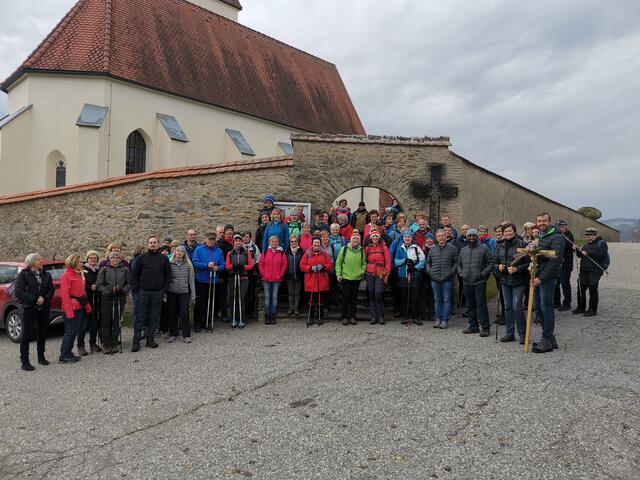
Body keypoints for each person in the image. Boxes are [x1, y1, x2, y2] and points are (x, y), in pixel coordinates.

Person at [130, 236, 172, 352]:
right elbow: (134, 274)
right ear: (148, 244)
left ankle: (150, 340)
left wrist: (164, 290)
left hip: (158, 292)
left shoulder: (164, 259)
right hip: (143, 292)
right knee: (140, 317)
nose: (153, 244)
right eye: (151, 242)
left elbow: (168, 275)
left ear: (158, 244)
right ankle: (136, 342)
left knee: (153, 317)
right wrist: (137, 289)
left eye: (155, 242)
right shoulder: (142, 258)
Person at [530, 213, 564, 354]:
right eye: (539, 221)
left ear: (549, 221)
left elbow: (555, 260)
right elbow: (537, 256)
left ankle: (546, 340)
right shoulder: (540, 236)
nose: (541, 223)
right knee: (538, 308)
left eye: (544, 220)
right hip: (537, 276)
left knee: (546, 308)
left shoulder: (557, 237)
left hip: (547, 278)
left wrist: (542, 278)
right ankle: (550, 338)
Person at [15, 253, 55, 371]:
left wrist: (44, 298)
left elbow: (51, 289)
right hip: (29, 308)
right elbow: (19, 291)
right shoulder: (24, 274)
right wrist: (34, 299)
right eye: (38, 259)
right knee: (27, 333)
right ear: (32, 262)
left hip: (44, 307)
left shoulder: (46, 274)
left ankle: (41, 356)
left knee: (42, 332)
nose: (41, 261)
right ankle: (25, 361)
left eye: (41, 259)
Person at [493, 224, 530, 344]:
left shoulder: (521, 244)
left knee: (517, 306)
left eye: (510, 231)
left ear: (514, 231)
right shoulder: (500, 245)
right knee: (508, 307)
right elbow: (494, 261)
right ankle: (510, 333)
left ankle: (523, 334)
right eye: (506, 231)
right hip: (505, 280)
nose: (507, 233)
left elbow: (529, 262)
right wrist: (498, 266)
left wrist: (517, 269)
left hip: (519, 280)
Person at [459, 229, 493, 337]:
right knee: (470, 305)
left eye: (474, 236)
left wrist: (482, 274)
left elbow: (491, 263)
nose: (471, 238)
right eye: (469, 236)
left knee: (481, 305)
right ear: (467, 237)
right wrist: (461, 273)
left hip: (479, 281)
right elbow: (459, 264)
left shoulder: (484, 248)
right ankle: (473, 326)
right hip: (466, 281)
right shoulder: (463, 250)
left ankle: (485, 327)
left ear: (477, 237)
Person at [96, 251, 131, 353]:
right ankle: (106, 344)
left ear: (120, 259)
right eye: (113, 258)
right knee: (106, 321)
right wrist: (107, 291)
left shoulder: (125, 269)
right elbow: (99, 284)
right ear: (109, 259)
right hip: (107, 298)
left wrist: (123, 290)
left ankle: (114, 342)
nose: (115, 260)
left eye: (117, 258)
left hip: (119, 297)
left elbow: (129, 283)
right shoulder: (104, 269)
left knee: (116, 321)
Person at [59, 254, 92, 363]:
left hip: (78, 307)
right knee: (70, 331)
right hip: (70, 308)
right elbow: (65, 296)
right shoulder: (66, 276)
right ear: (73, 263)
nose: (82, 264)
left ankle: (68, 352)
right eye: (79, 262)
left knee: (74, 331)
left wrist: (87, 306)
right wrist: (68, 312)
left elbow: (82, 293)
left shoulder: (78, 275)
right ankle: (63, 355)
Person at [192, 233, 225, 331]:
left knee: (211, 302)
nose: (211, 241)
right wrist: (206, 265)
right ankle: (198, 322)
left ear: (215, 240)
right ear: (205, 240)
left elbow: (223, 264)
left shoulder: (219, 251)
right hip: (202, 280)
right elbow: (195, 262)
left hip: (214, 280)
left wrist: (218, 268)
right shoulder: (199, 249)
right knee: (200, 302)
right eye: (209, 240)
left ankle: (208, 321)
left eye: (213, 240)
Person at [426, 229, 458, 329]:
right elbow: (428, 262)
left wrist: (451, 272)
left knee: (446, 299)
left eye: (443, 235)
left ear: (446, 236)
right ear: (436, 238)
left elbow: (456, 262)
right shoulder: (432, 249)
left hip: (447, 278)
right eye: (439, 236)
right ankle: (438, 319)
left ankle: (445, 320)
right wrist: (429, 272)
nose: (441, 237)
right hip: (434, 278)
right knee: (437, 299)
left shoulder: (452, 248)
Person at [574, 227, 608, 317]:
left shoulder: (602, 244)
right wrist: (577, 250)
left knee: (592, 289)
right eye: (587, 236)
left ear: (596, 235)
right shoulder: (585, 245)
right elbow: (580, 255)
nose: (588, 237)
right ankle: (581, 307)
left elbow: (601, 255)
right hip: (584, 271)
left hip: (595, 271)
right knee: (581, 289)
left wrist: (588, 253)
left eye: (591, 236)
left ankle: (592, 309)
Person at [394, 231, 426, 325]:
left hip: (414, 275)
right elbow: (396, 262)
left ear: (412, 238)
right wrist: (404, 260)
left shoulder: (417, 248)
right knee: (404, 297)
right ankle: (405, 316)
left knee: (415, 297)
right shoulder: (400, 249)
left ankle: (415, 316)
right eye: (405, 237)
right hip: (403, 275)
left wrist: (415, 267)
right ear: (403, 238)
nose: (407, 238)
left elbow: (423, 261)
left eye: (409, 237)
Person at [166, 246, 196, 342]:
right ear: (175, 252)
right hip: (172, 292)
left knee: (184, 313)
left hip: (184, 292)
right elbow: (166, 278)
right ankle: (173, 334)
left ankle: (186, 335)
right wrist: (164, 293)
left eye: (181, 251)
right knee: (172, 313)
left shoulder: (188, 265)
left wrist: (193, 294)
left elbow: (191, 280)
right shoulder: (170, 264)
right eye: (177, 251)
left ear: (184, 254)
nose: (179, 252)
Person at [300, 238, 333, 326]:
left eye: (318, 243)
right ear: (312, 244)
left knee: (320, 301)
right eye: (315, 243)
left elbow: (330, 264)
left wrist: (323, 267)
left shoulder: (324, 253)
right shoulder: (307, 253)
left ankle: (320, 317)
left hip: (321, 280)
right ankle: (310, 318)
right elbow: (302, 265)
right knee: (310, 301)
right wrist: (310, 268)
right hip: (310, 280)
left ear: (320, 244)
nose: (316, 244)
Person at [335, 232, 367, 325]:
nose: (356, 240)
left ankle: (352, 316)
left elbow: (364, 263)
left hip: (356, 278)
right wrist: (338, 274)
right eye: (354, 238)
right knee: (345, 297)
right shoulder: (344, 249)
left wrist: (362, 271)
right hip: (346, 277)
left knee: (354, 298)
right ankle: (344, 316)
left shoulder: (361, 251)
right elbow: (338, 262)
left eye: (357, 239)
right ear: (351, 239)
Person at [226, 234, 254, 328]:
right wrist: (233, 266)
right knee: (233, 298)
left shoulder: (246, 252)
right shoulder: (230, 253)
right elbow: (227, 267)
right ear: (233, 242)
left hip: (243, 278)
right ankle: (234, 318)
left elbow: (251, 266)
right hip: (233, 277)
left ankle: (242, 318)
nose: (238, 242)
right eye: (236, 241)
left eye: (239, 241)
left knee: (241, 298)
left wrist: (243, 267)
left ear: (241, 242)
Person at [259, 235, 287, 324]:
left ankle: (273, 316)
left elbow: (284, 265)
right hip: (266, 279)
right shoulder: (265, 252)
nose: (274, 243)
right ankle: (267, 316)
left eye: (276, 241)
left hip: (277, 279)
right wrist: (264, 274)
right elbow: (261, 264)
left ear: (278, 243)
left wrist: (280, 275)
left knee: (274, 297)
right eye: (272, 241)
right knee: (267, 297)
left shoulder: (281, 253)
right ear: (269, 242)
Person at [364, 231, 391, 324]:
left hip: (381, 272)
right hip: (369, 272)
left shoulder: (384, 248)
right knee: (371, 294)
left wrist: (386, 275)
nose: (375, 238)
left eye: (376, 236)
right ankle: (373, 316)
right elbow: (364, 260)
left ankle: (381, 316)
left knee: (378, 294)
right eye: (373, 236)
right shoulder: (367, 248)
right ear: (371, 237)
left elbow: (388, 262)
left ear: (379, 237)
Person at [78, 250, 101, 355]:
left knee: (94, 323)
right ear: (87, 259)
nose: (93, 260)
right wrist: (89, 287)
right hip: (85, 300)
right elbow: (80, 285)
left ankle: (93, 343)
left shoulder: (98, 270)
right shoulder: (83, 270)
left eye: (95, 258)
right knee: (83, 324)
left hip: (96, 299)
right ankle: (80, 346)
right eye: (91, 258)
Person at [554, 220, 575, 311]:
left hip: (566, 264)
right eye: (557, 227)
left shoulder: (569, 236)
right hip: (557, 264)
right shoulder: (557, 236)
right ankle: (556, 302)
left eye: (561, 227)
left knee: (564, 283)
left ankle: (567, 303)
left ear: (565, 227)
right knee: (556, 284)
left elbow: (563, 244)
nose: (559, 228)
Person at [216, 225, 235, 322]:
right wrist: (220, 275)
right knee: (223, 295)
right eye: (227, 230)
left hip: (234, 273)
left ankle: (232, 313)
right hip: (224, 273)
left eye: (231, 230)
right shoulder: (220, 244)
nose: (229, 232)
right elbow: (220, 260)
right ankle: (223, 313)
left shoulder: (235, 242)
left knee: (231, 294)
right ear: (224, 232)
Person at [242, 231, 261, 320]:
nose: (246, 238)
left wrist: (255, 268)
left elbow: (258, 258)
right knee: (244, 293)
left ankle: (250, 312)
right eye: (244, 237)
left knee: (251, 293)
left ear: (250, 238)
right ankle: (243, 312)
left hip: (252, 272)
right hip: (242, 272)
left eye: (247, 237)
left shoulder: (254, 246)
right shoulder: (240, 247)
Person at [285, 234, 304, 316]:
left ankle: (296, 308)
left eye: (295, 241)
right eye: (292, 241)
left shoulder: (301, 252)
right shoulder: (286, 252)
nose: (293, 243)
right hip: (289, 275)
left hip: (299, 275)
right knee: (290, 293)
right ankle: (290, 308)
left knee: (297, 293)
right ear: (289, 242)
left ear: (298, 242)